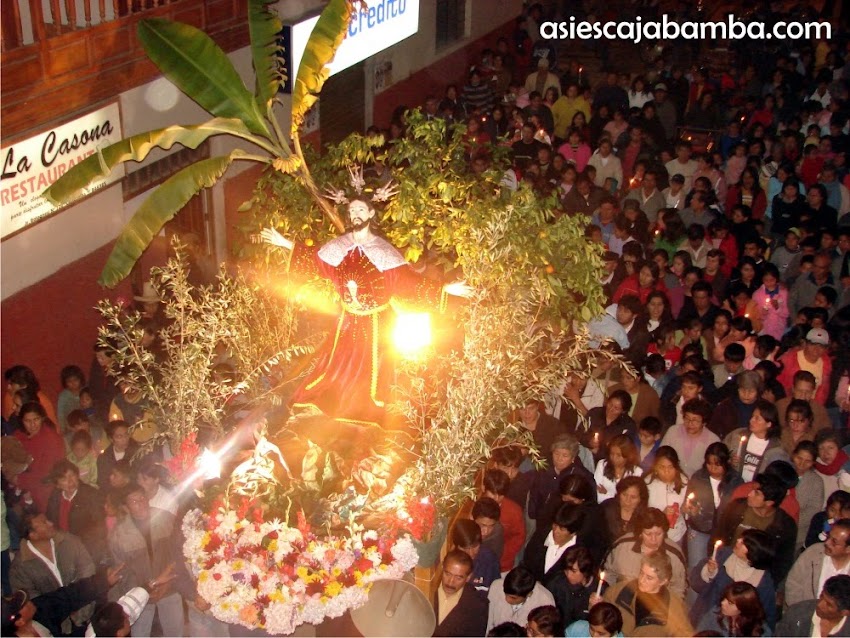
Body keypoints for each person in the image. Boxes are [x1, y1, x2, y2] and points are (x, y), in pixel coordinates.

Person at [261, 185, 471, 429]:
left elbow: (408, 282)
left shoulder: (383, 252)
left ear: (371, 214)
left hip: (375, 324)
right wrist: (285, 243)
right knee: (334, 365)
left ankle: (366, 412)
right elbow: (316, 259)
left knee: (372, 371)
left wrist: (444, 289)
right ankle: (331, 404)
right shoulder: (339, 247)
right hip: (346, 322)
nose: (355, 214)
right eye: (351, 210)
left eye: (360, 209)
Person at [108, 485, 194, 637]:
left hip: (170, 586)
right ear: (126, 507)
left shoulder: (166, 519)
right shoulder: (119, 534)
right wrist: (144, 591)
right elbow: (123, 571)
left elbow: (179, 554)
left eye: (142, 498)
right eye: (134, 501)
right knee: (140, 633)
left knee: (175, 632)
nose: (141, 503)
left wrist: (167, 584)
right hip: (140, 593)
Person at [9, 512, 96, 634]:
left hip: (85, 614)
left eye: (47, 520)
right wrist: (65, 609)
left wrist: (81, 610)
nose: (51, 523)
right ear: (33, 535)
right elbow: (35, 604)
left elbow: (87, 569)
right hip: (56, 628)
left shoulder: (69, 541)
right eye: (44, 523)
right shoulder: (20, 567)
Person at [715, 473, 798, 585]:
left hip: (754, 580)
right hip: (726, 567)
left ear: (769, 502)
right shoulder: (736, 507)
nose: (750, 494)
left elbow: (783, 561)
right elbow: (718, 534)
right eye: (752, 490)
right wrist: (715, 558)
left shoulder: (785, 525)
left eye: (756, 493)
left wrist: (766, 583)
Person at [1, 566, 126, 638]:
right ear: (20, 621)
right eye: (23, 605)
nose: (28, 601)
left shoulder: (39, 610)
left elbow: (68, 596)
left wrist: (103, 581)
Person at [689, 528, 777, 629]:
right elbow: (695, 583)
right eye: (740, 538)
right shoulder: (723, 555)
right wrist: (708, 573)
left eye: (743, 542)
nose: (738, 541)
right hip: (705, 620)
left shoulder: (762, 583)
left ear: (753, 553)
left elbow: (766, 617)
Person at [595, 552, 693, 637]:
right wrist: (595, 606)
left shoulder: (675, 608)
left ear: (663, 581)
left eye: (649, 578)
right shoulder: (618, 591)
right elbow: (599, 622)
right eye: (641, 573)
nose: (641, 580)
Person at [603, 508, 687, 599]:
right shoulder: (622, 547)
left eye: (659, 534)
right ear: (640, 533)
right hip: (623, 600)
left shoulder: (674, 555)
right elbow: (608, 575)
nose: (654, 539)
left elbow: (679, 589)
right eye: (648, 534)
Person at [44, 460, 106, 565]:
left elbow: (99, 527)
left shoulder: (91, 495)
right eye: (64, 479)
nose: (70, 481)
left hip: (86, 549)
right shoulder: (55, 496)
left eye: (72, 475)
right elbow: (50, 520)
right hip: (63, 548)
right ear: (57, 484)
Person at [13, 402, 65, 513]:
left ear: (42, 418)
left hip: (45, 494)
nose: (32, 425)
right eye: (27, 421)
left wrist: (18, 480)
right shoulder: (18, 437)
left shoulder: (52, 439)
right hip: (23, 493)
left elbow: (46, 473)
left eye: (36, 419)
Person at [786, 519, 850, 608]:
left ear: (848, 549)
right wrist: (801, 612)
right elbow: (793, 583)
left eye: (834, 542)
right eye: (828, 537)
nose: (827, 543)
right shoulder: (813, 553)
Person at [724, 398, 788, 482]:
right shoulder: (737, 435)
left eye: (757, 418)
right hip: (735, 485)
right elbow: (721, 454)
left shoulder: (776, 448)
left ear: (768, 424)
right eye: (752, 416)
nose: (751, 421)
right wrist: (729, 461)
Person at [523, 503, 586, 586]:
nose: (556, 531)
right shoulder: (541, 535)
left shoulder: (579, 551)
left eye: (562, 529)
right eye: (555, 525)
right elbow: (527, 560)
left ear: (573, 533)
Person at [433, 549, 489, 637]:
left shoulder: (478, 606)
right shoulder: (427, 590)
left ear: (468, 577)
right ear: (442, 568)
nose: (450, 582)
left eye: (458, 578)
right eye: (447, 574)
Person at [660, 398, 720, 478]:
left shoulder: (713, 440)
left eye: (695, 420)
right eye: (687, 418)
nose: (690, 423)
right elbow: (660, 456)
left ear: (704, 422)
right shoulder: (673, 431)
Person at [486, 565, 555, 632]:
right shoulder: (496, 586)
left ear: (529, 594)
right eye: (505, 593)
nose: (506, 599)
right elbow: (489, 625)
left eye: (513, 598)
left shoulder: (545, 601)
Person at [778, 574, 850, 637]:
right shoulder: (796, 614)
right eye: (822, 596)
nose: (819, 604)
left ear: (845, 612)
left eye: (828, 604)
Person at [777, 327, 834, 404]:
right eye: (813, 344)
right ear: (805, 343)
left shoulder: (826, 364)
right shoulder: (789, 360)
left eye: (821, 346)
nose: (816, 349)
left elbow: (823, 392)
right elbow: (779, 385)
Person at [644, 447, 688, 544]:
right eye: (662, 467)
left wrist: (686, 510)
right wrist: (661, 515)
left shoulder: (684, 482)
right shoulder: (647, 484)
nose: (666, 471)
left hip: (676, 534)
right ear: (655, 467)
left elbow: (686, 510)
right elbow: (643, 513)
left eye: (670, 467)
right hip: (653, 535)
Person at [696, 581, 770, 636]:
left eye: (730, 603)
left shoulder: (760, 630)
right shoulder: (714, 614)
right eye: (725, 598)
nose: (723, 603)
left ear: (743, 608)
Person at [452, 519, 501, 596]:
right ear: (457, 546)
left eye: (475, 546)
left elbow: (496, 588)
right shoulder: (452, 564)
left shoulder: (489, 559)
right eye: (465, 549)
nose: (471, 553)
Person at [794, 441, 827, 551]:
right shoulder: (782, 471)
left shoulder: (816, 482)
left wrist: (791, 520)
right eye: (799, 458)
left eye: (807, 461)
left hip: (797, 533)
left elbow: (813, 510)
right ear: (793, 455)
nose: (802, 464)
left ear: (813, 462)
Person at [593, 434, 643, 503]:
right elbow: (596, 495)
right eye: (612, 454)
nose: (614, 458)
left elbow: (629, 500)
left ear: (628, 455)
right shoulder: (602, 464)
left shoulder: (637, 472)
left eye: (618, 455)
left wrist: (607, 493)